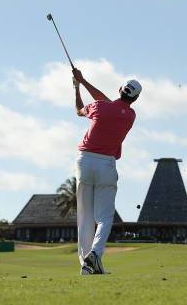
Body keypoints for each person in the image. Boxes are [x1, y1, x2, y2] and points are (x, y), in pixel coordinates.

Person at [72, 67, 141, 275]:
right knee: (104, 217)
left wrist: (78, 86)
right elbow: (109, 103)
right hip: (106, 165)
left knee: (84, 217)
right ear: (135, 99)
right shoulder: (130, 115)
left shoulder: (99, 107)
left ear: (120, 89)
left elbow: (79, 109)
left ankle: (86, 265)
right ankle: (95, 254)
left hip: (84, 162)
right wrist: (83, 81)